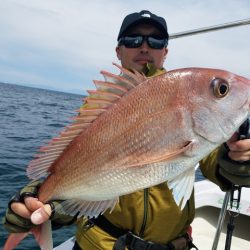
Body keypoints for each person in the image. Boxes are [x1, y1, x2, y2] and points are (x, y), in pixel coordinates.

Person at [3, 10, 250, 250]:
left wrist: (236, 159)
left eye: (155, 40)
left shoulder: (187, 101)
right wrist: (41, 198)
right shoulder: (96, 109)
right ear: (118, 50)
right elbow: (77, 175)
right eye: (133, 40)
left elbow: (219, 167)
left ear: (165, 51)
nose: (144, 47)